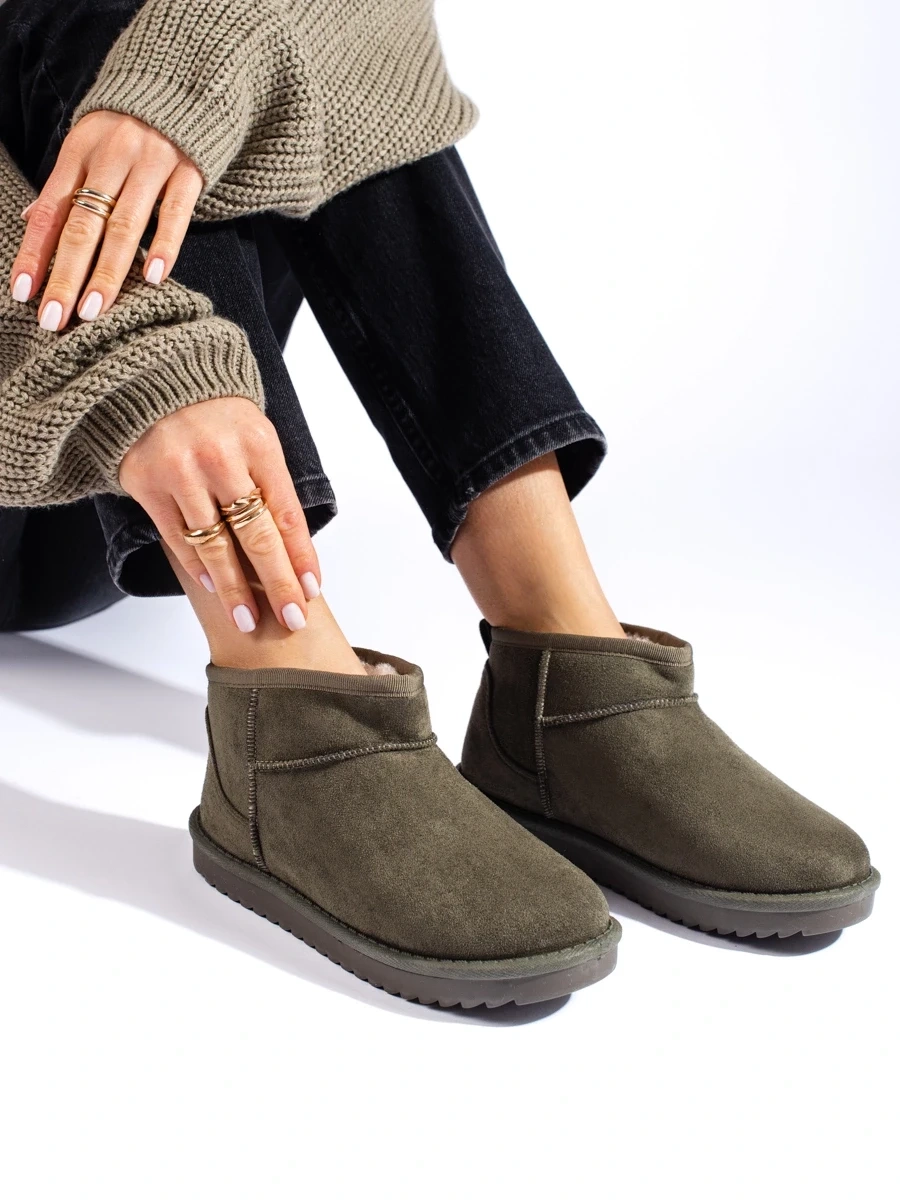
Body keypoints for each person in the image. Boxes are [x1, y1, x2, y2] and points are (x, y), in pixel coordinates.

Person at [0, 0, 879, 1008]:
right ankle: (287, 700)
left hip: (109, 476)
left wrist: (182, 86)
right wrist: (136, 374)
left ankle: (564, 668)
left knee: (263, 41)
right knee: (94, 24)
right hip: (59, 429)